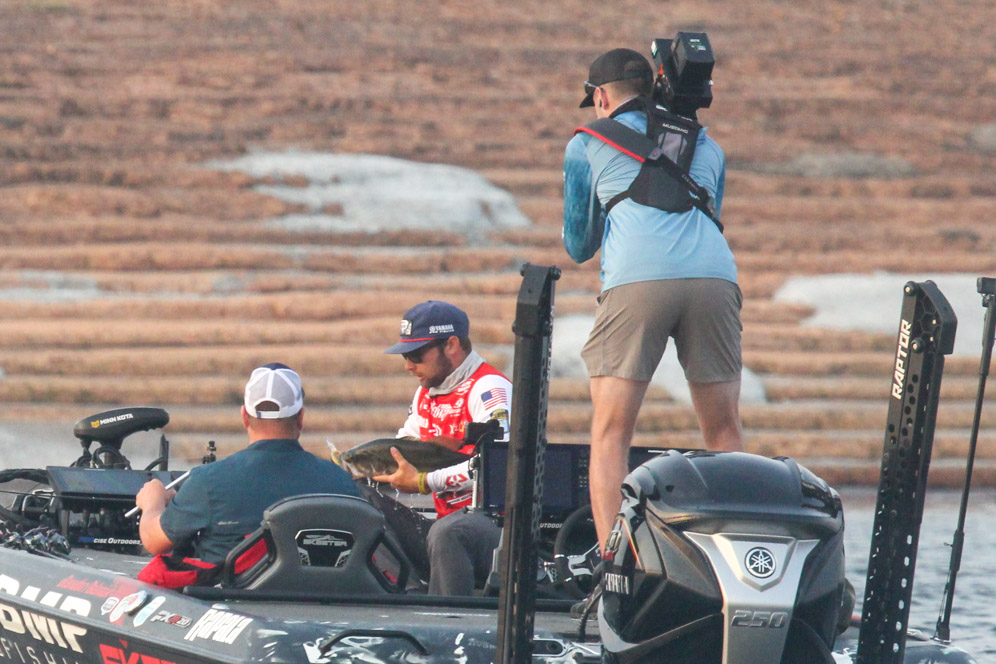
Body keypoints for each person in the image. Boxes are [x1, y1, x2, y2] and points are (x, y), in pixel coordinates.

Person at [563, 48, 745, 553]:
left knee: (611, 431)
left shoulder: (587, 142)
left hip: (637, 281)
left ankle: (611, 560)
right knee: (724, 430)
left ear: (601, 98)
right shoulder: (706, 144)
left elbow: (578, 244)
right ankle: (737, 554)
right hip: (714, 277)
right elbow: (707, 211)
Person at [135, 363, 360, 568]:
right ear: (300, 418)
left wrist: (152, 501)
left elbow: (154, 542)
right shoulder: (341, 482)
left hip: (229, 595)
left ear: (244, 416)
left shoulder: (208, 482)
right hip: (320, 596)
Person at [367, 300, 510, 596]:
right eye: (405, 356)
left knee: (447, 532)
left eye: (416, 355)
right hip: (444, 527)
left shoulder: (490, 389)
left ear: (451, 345)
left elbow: (499, 469)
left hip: (495, 528)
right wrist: (365, 467)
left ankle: (446, 617)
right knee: (360, 499)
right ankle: (409, 593)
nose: (408, 366)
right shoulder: (425, 392)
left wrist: (424, 481)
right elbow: (401, 450)